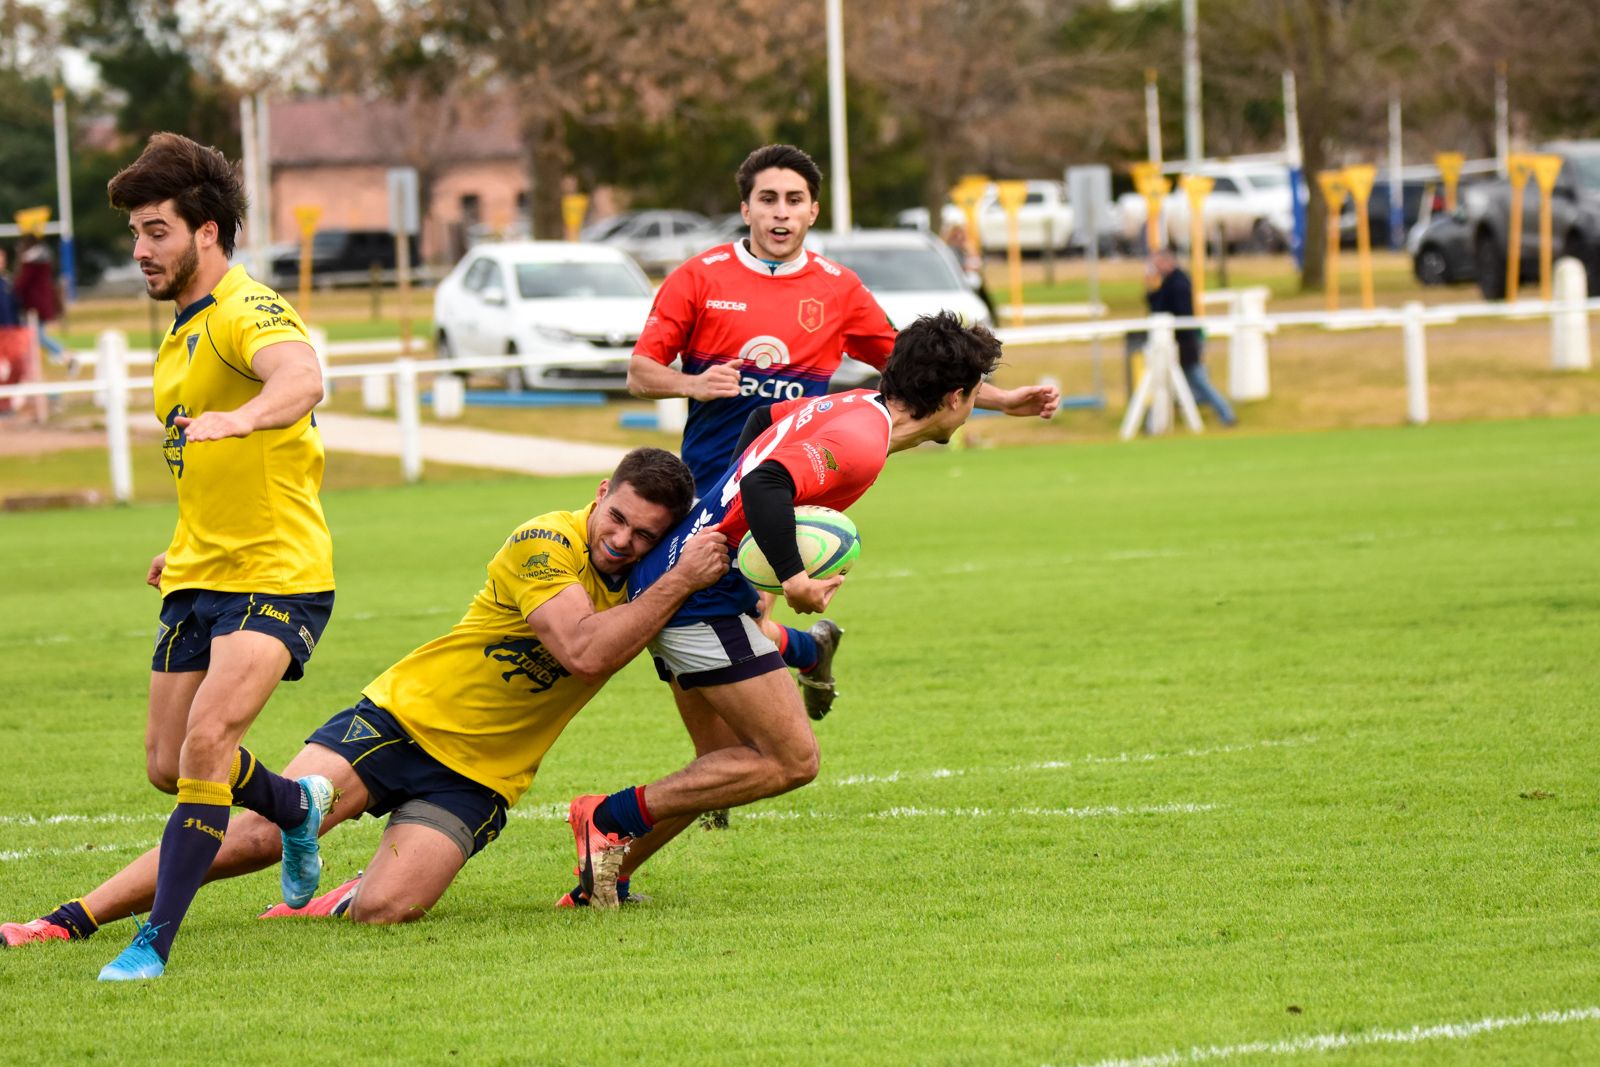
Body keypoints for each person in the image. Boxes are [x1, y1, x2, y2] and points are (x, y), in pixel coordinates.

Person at [0, 451, 731, 952]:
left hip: (482, 776)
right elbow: (583, 650)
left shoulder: (652, 575)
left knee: (390, 909)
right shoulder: (545, 539)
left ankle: (336, 893)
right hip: (403, 718)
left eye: (645, 535)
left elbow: (728, 625)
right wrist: (676, 582)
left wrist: (790, 596)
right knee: (256, 836)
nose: (624, 540)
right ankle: (68, 920)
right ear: (602, 492)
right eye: (620, 519)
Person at [565, 311, 1052, 909]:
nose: (974, 405)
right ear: (954, 397)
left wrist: (743, 541)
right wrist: (791, 578)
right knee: (791, 760)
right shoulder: (863, 442)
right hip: (698, 597)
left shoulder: (853, 406)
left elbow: (762, 421)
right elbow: (768, 481)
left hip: (688, 571)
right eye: (976, 395)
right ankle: (606, 816)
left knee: (722, 764)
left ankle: (600, 881)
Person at [628, 144, 1059, 723]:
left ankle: (722, 775)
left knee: (707, 614)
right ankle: (803, 657)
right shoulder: (699, 278)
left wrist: (1003, 399)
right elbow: (639, 374)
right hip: (708, 473)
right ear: (746, 209)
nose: (781, 213)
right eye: (768, 200)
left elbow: (913, 368)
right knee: (699, 616)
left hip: (796, 479)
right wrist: (693, 382)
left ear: (813, 212)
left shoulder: (837, 289)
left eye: (794, 201)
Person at [78, 133, 335, 981]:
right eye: (136, 234)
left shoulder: (246, 309)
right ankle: (294, 804)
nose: (141, 250)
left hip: (279, 572)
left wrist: (247, 416)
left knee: (205, 745)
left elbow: (300, 377)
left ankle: (152, 941)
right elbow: (209, 467)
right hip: (202, 570)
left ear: (209, 231)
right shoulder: (180, 333)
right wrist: (181, 545)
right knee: (168, 763)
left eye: (156, 231)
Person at [1146, 248, 1236, 427]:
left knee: (1196, 380)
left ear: (1167, 262)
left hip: (1185, 342)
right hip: (1182, 341)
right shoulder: (1172, 282)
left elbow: (1162, 310)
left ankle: (1226, 415)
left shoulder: (1178, 284)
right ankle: (1157, 421)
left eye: (1157, 264)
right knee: (1186, 381)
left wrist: (1151, 289)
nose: (1155, 268)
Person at [14, 234, 64, 359]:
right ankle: (61, 354)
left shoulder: (31, 264)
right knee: (37, 335)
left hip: (34, 306)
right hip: (42, 304)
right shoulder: (43, 262)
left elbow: (21, 285)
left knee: (36, 336)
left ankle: (64, 354)